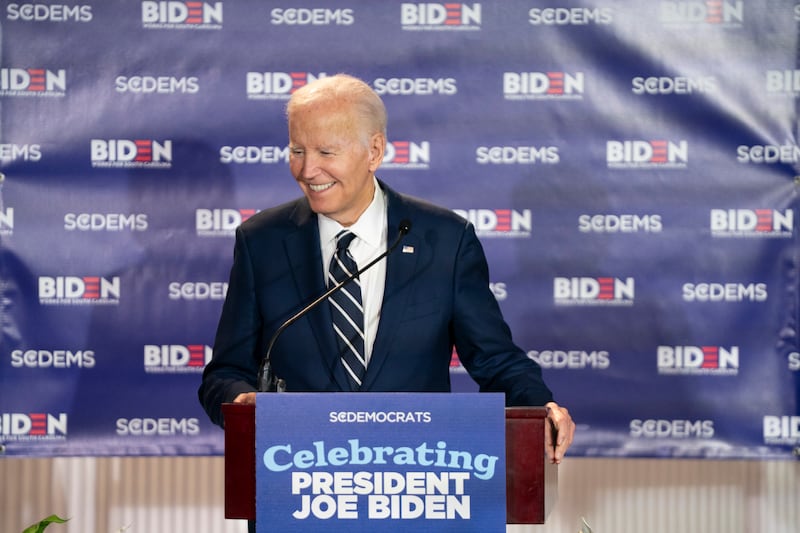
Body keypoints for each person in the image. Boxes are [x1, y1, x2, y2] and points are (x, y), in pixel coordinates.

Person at [198, 73, 575, 464]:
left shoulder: (444, 241)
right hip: (298, 472)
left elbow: (495, 360)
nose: (307, 170)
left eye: (326, 152)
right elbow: (224, 374)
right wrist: (241, 401)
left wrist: (540, 408)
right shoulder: (262, 241)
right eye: (297, 150)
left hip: (415, 474)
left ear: (374, 151)